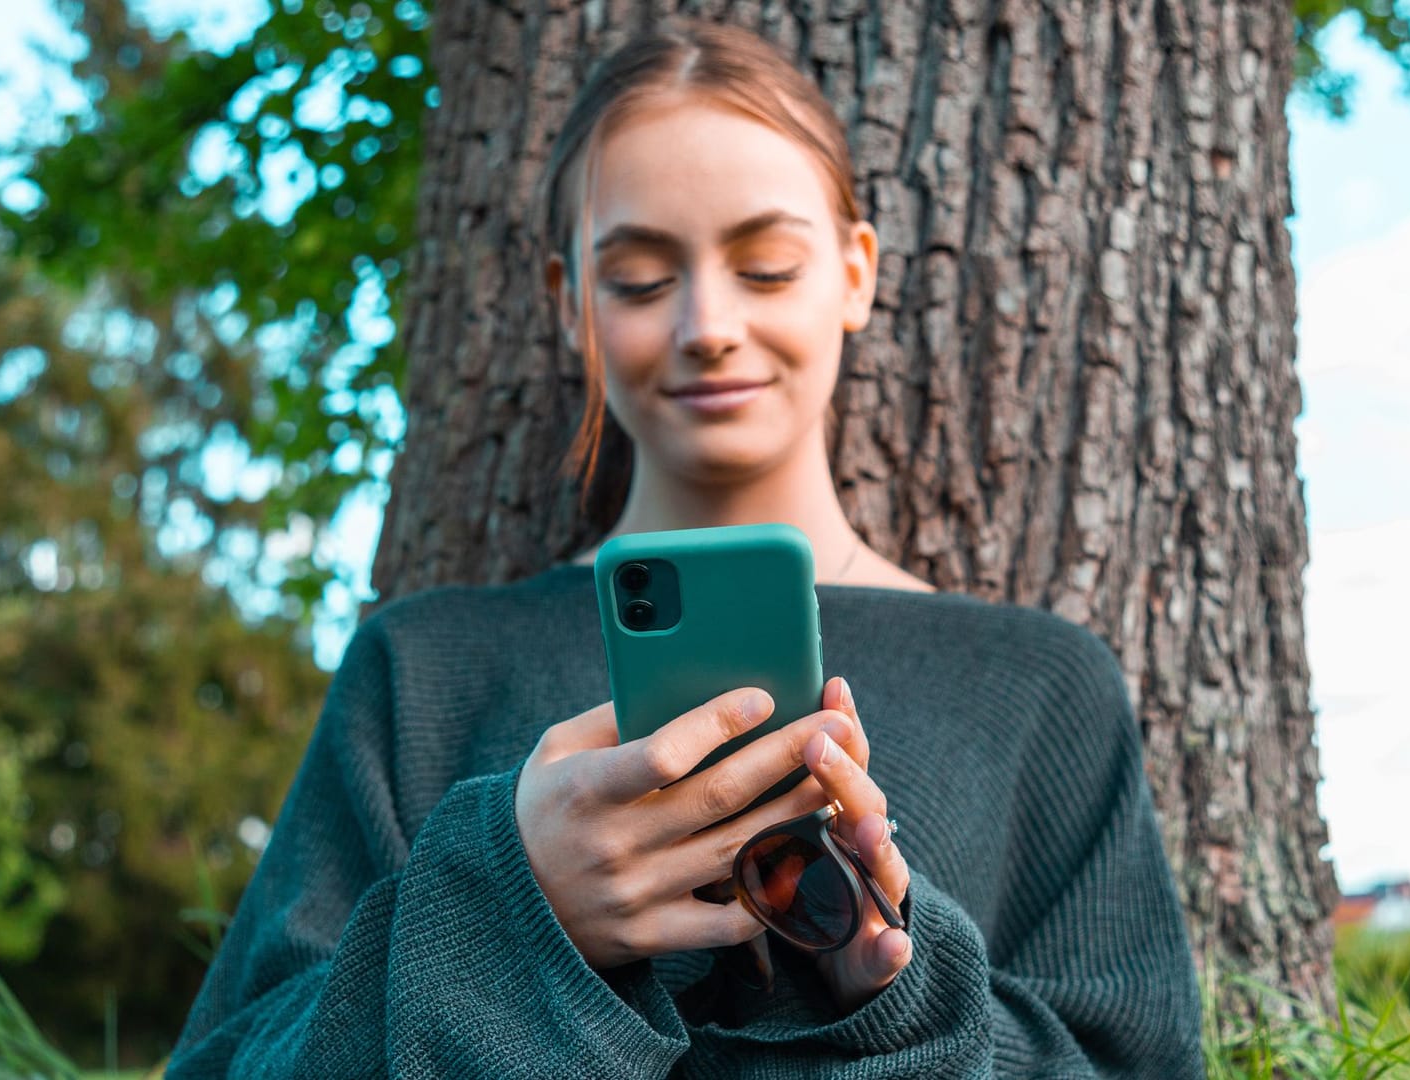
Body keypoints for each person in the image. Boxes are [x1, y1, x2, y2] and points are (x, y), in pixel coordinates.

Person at [168, 17, 1204, 1078]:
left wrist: (893, 992)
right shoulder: (421, 669)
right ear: (569, 300)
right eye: (639, 279)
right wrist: (516, 914)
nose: (707, 324)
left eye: (765, 267)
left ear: (853, 276)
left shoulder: (1036, 687)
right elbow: (232, 1063)